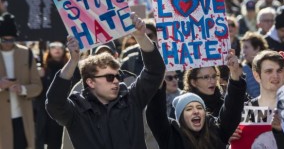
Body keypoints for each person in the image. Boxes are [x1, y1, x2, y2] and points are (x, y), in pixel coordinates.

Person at [46, 13, 165, 149]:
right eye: (109, 77)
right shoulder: (77, 110)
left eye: (117, 76)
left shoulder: (132, 99)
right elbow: (54, 104)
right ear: (90, 82)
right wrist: (73, 61)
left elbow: (155, 71)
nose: (116, 81)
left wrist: (140, 36)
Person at [146, 51, 246, 149]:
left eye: (199, 107)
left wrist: (234, 73)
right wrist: (158, 73)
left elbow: (232, 109)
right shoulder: (171, 137)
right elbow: (156, 113)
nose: (195, 111)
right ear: (180, 117)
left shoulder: (216, 133)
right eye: (189, 109)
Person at [0, 12, 43, 149]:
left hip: (22, 118)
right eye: (4, 40)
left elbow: (37, 86)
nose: (8, 43)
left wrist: (22, 89)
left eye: (11, 40)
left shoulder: (27, 54)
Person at [34, 42, 69, 149]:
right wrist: (38, 76)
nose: (57, 50)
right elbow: (38, 90)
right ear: (49, 50)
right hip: (46, 111)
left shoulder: (70, 68)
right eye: (53, 47)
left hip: (64, 108)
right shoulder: (43, 69)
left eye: (60, 47)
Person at [240, 31, 268, 98]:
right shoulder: (243, 68)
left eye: (246, 47)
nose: (243, 51)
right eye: (242, 47)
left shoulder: (268, 66)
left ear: (257, 48)